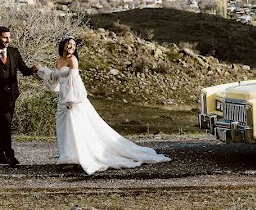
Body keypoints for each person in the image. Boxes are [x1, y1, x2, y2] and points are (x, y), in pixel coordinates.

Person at [37, 37, 170, 174]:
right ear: (63, 45)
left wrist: (72, 100)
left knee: (75, 127)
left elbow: (75, 82)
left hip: (73, 100)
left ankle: (78, 158)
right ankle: (68, 157)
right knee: (64, 128)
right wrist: (41, 70)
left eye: (73, 45)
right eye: (68, 44)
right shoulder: (59, 60)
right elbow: (55, 78)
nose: (71, 46)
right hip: (62, 99)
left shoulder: (73, 60)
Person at [0, 26, 39, 167]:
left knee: (5, 124)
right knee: (6, 122)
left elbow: (24, 71)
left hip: (12, 95)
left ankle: (0, 155)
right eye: (5, 37)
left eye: (9, 37)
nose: (8, 40)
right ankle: (9, 154)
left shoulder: (14, 52)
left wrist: (33, 70)